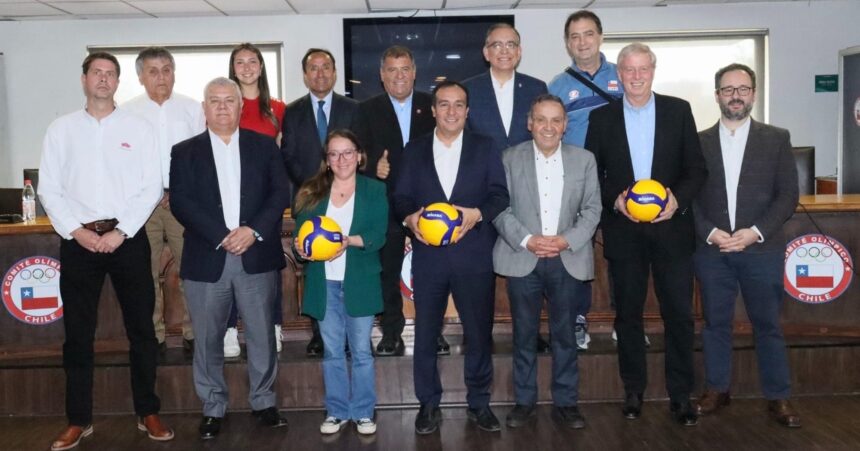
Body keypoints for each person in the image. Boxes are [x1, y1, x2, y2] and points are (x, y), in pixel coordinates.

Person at [39, 52, 174, 451]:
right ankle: (78, 420)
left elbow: (150, 186)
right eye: (96, 73)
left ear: (118, 82)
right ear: (84, 80)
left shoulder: (139, 128)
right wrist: (76, 231)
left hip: (127, 239)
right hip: (78, 242)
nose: (103, 79)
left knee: (143, 332)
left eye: (110, 74)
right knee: (78, 335)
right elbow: (49, 188)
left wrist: (123, 232)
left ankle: (146, 410)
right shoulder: (61, 130)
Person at [584, 43, 706, 426]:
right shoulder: (601, 118)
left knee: (679, 317)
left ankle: (681, 395)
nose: (636, 76)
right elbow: (593, 174)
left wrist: (677, 200)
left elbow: (696, 170)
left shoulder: (679, 110)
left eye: (643, 69)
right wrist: (615, 202)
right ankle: (633, 390)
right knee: (628, 317)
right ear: (618, 75)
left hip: (672, 231)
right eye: (629, 70)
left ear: (653, 71)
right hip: (625, 233)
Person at [169, 77, 290, 439]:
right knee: (206, 339)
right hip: (208, 258)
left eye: (229, 101)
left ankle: (264, 402)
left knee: (261, 335)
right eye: (214, 101)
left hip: (255, 253)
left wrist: (251, 230)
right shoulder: (184, 151)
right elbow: (181, 202)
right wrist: (223, 235)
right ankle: (213, 407)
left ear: (241, 107)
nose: (222, 107)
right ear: (204, 109)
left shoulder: (265, 146)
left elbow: (278, 194)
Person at [392, 81, 509, 434]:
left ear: (468, 111)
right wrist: (409, 219)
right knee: (426, 334)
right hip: (428, 258)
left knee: (478, 333)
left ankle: (479, 402)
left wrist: (475, 214)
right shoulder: (413, 150)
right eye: (444, 104)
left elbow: (499, 195)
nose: (452, 111)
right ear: (433, 110)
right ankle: (428, 404)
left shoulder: (485, 148)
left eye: (459, 105)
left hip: (474, 255)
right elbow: (400, 197)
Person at [693, 63, 801, 428]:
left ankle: (778, 397)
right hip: (713, 250)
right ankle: (716, 389)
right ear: (717, 96)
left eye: (742, 88)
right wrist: (710, 232)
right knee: (715, 323)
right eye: (728, 89)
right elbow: (688, 197)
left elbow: (788, 196)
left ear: (753, 94)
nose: (735, 95)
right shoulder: (697, 142)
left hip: (761, 249)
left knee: (768, 325)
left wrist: (756, 231)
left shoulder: (777, 138)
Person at [493, 94, 601, 429]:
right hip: (523, 256)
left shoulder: (584, 160)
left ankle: (566, 402)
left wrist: (565, 239)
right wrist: (528, 240)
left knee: (565, 335)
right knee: (524, 335)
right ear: (530, 123)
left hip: (566, 257)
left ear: (565, 125)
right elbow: (498, 205)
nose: (548, 127)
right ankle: (524, 402)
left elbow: (593, 209)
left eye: (556, 120)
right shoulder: (509, 159)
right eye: (541, 119)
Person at [463, 24, 552, 353]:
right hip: (483, 196)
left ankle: (532, 334)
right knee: (482, 272)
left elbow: (545, 138)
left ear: (519, 51)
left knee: (532, 268)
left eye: (510, 44)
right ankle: (480, 335)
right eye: (496, 45)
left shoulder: (536, 87)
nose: (503, 51)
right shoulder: (468, 90)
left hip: (530, 193)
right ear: (486, 53)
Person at [293, 130, 388, 435]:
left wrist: (349, 241)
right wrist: (301, 247)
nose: (341, 159)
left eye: (347, 152)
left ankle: (362, 411)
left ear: (359, 156)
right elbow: (302, 235)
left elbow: (379, 234)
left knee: (361, 351)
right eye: (334, 154)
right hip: (325, 283)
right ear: (327, 160)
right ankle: (336, 411)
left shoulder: (374, 190)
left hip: (360, 280)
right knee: (333, 351)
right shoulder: (312, 191)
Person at [354, 45, 442, 357]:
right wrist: (371, 165)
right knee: (387, 273)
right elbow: (356, 155)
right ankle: (391, 332)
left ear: (415, 72)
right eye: (392, 70)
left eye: (405, 69)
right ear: (381, 75)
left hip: (428, 205)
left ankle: (435, 333)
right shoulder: (365, 110)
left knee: (432, 272)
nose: (399, 76)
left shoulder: (432, 106)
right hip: (387, 206)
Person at [549, 10, 624, 350]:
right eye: (575, 36)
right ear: (567, 43)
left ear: (600, 37)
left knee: (623, 253)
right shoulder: (558, 86)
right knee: (576, 251)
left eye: (588, 34)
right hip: (575, 182)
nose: (582, 42)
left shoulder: (623, 75)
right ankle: (577, 319)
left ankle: (625, 319)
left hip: (621, 181)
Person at [124, 46, 206, 356]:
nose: (161, 77)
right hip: (140, 207)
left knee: (191, 270)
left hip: (181, 203)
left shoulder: (191, 109)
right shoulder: (127, 112)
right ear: (141, 77)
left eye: (166, 70)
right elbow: (122, 162)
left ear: (174, 73)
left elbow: (201, 158)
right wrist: (146, 193)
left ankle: (193, 333)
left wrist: (180, 193)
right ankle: (153, 336)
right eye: (153, 71)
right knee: (144, 274)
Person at [281, 48, 360, 357]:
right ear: (305, 75)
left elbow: (358, 149)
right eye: (313, 68)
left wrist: (339, 181)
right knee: (316, 266)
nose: (320, 73)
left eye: (326, 67)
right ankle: (319, 334)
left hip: (348, 194)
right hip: (311, 196)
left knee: (348, 261)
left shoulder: (353, 107)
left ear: (335, 72)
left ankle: (354, 335)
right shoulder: (292, 111)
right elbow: (288, 154)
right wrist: (317, 185)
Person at [225, 42, 288, 356]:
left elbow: (280, 156)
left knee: (268, 264)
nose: (247, 67)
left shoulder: (277, 108)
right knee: (229, 262)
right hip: (229, 197)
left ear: (262, 67)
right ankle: (229, 329)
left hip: (265, 201)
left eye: (253, 61)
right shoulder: (223, 106)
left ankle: (273, 326)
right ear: (232, 68)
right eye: (240, 62)